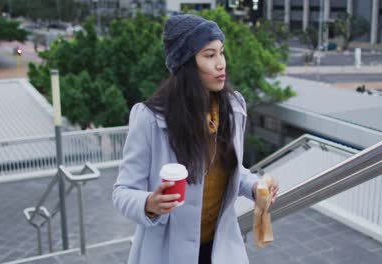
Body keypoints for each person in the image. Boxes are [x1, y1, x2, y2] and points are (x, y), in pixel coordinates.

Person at [112, 14, 279, 264]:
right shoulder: (150, 118)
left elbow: (231, 169)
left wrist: (254, 186)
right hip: (165, 253)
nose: (221, 63)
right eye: (209, 56)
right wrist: (149, 203)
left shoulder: (232, 108)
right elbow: (122, 191)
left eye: (221, 53)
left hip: (219, 250)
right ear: (187, 64)